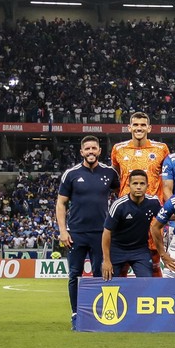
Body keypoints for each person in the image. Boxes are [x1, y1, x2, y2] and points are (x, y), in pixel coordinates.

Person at [56, 135, 119, 325]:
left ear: (99, 151)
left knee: (101, 274)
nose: (91, 152)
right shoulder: (71, 174)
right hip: (76, 233)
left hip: (101, 233)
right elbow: (61, 203)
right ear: (81, 152)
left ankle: (99, 313)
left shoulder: (110, 173)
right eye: (87, 149)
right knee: (75, 274)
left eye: (94, 148)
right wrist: (63, 230)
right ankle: (76, 313)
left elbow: (120, 195)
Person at [102, 169, 162, 279]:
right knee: (109, 282)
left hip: (140, 250)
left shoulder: (153, 202)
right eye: (135, 183)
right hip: (117, 249)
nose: (138, 187)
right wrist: (106, 260)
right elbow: (106, 233)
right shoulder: (119, 205)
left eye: (142, 183)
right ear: (129, 185)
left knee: (146, 281)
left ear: (147, 185)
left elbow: (166, 217)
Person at [110, 112, 170, 200]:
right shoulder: (118, 149)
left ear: (149, 128)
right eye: (135, 125)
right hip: (126, 203)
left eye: (143, 125)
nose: (139, 128)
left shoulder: (161, 148)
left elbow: (167, 178)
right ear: (129, 128)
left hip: (153, 204)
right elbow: (114, 176)